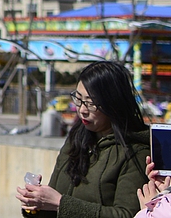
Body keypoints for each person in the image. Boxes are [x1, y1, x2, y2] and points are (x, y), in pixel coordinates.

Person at [15, 60, 149, 218]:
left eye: (91, 104)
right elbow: (53, 205)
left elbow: (127, 214)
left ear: (113, 104)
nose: (82, 110)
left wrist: (60, 203)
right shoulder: (76, 139)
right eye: (78, 99)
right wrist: (36, 204)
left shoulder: (136, 152)